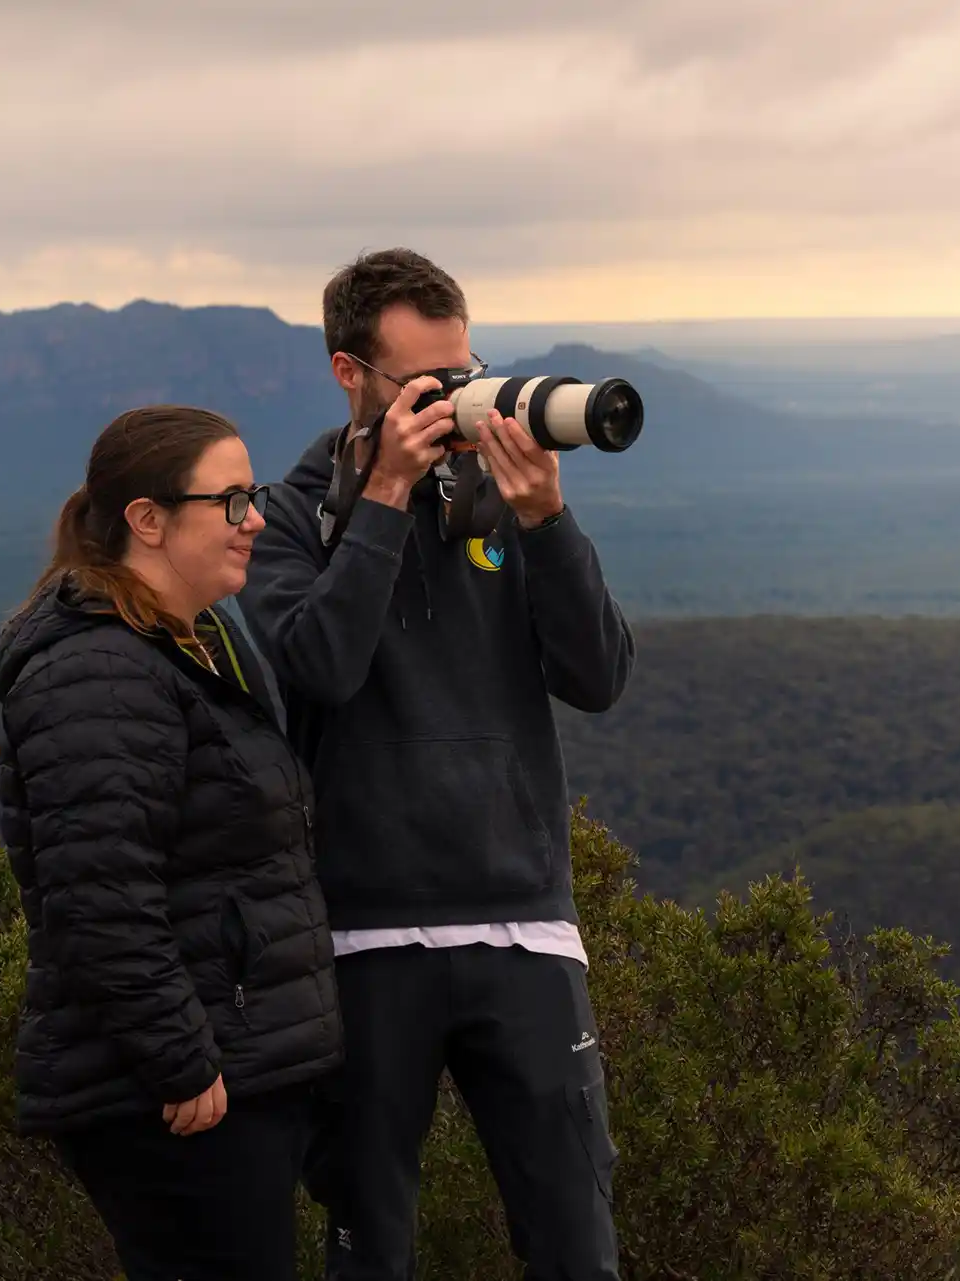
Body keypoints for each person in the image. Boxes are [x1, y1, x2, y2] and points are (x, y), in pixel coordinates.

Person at [237, 248, 636, 1280]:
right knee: (371, 1243)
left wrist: (545, 518)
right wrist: (381, 503)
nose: (453, 400)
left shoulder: (500, 502)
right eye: (426, 383)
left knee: (576, 1245)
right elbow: (319, 668)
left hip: (524, 921)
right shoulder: (289, 518)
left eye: (463, 373)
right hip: (366, 935)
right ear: (349, 373)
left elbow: (598, 677)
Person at [0, 404, 344, 1281]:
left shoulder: (194, 641)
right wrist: (182, 1063)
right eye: (228, 500)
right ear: (147, 520)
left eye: (250, 495)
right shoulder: (100, 669)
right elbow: (100, 896)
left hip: (226, 1076)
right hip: (174, 1100)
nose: (254, 517)